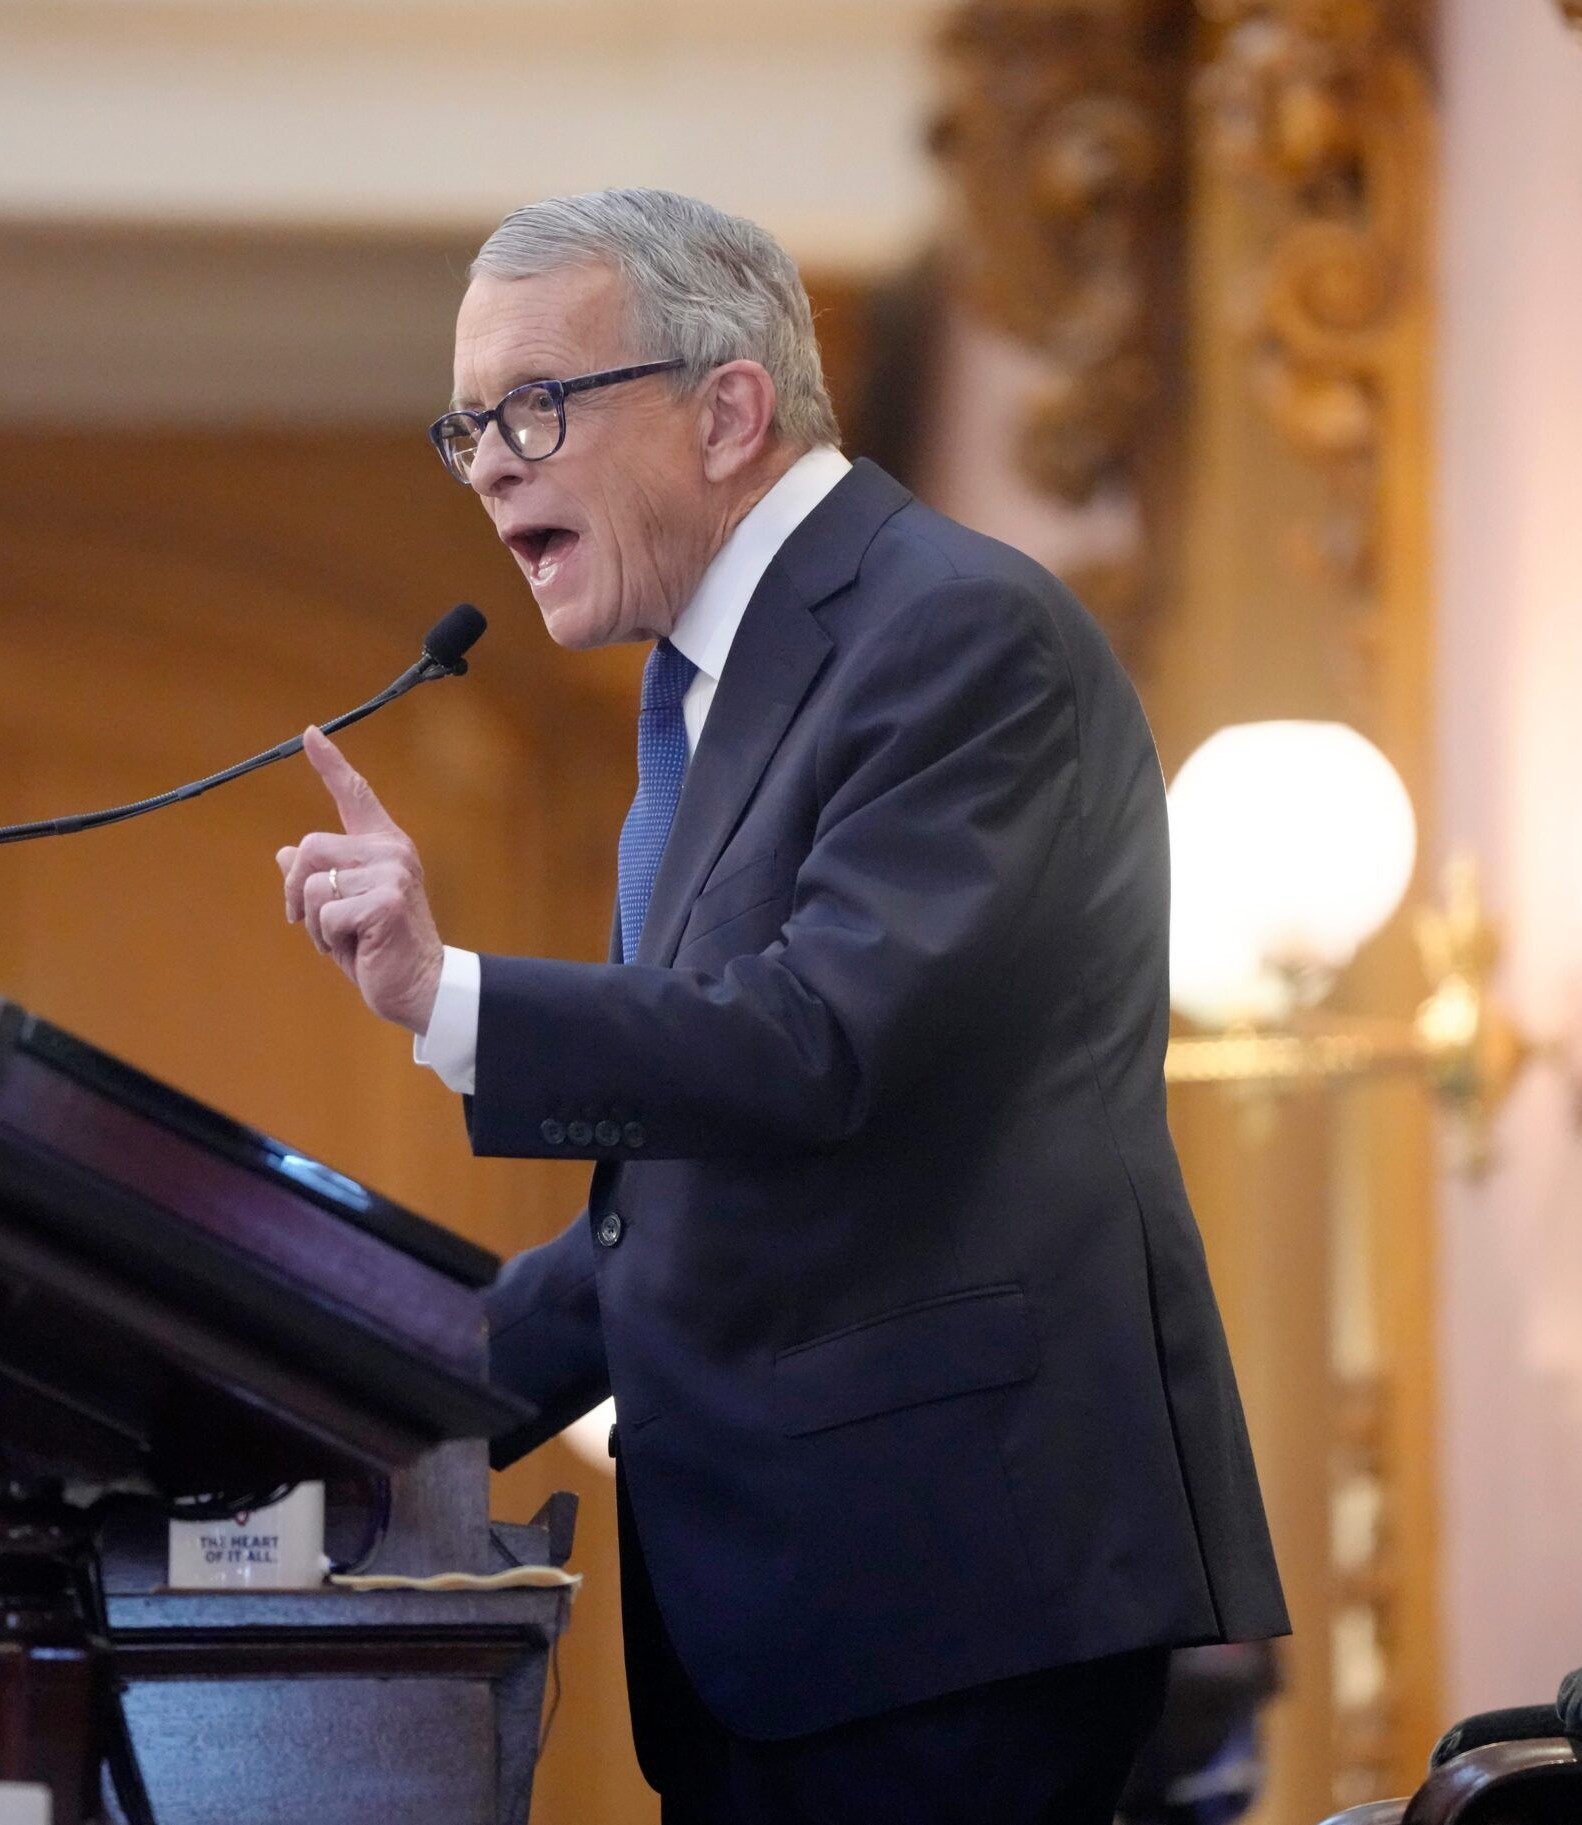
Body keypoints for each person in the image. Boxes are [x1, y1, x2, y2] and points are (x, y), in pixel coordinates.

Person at [277, 187, 1285, 1825]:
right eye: (465, 426)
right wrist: (338, 1387)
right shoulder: (709, 701)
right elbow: (685, 1206)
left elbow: (816, 1046)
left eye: (532, 407)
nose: (487, 466)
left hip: (949, 1600)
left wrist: (447, 996)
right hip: (799, 1622)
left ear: (728, 407)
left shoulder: (954, 633)